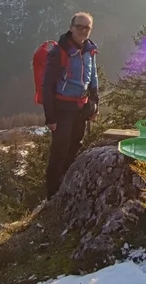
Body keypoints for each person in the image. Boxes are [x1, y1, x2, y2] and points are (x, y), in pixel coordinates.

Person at [43, 12, 100, 199]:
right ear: (71, 27)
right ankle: (52, 197)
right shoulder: (59, 52)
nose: (83, 31)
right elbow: (47, 85)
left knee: (75, 146)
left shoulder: (90, 51)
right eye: (79, 27)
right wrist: (50, 117)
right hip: (62, 109)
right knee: (59, 151)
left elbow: (93, 78)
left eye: (87, 27)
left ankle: (67, 189)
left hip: (81, 108)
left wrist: (94, 103)